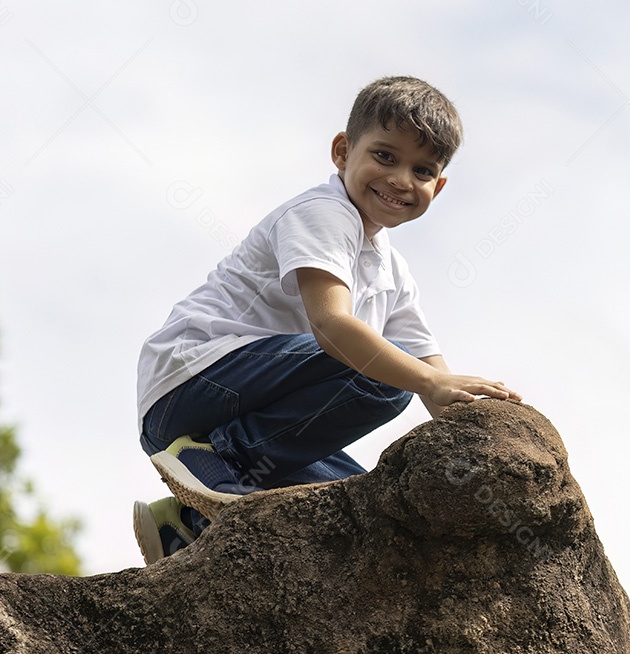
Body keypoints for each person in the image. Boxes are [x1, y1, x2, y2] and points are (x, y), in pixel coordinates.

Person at [134, 75, 521, 565]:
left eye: (421, 170)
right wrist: (425, 380)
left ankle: (185, 528)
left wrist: (482, 433)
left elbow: (436, 380)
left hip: (233, 410)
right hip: (192, 385)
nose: (402, 179)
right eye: (385, 156)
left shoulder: (391, 270)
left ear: (438, 187)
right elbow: (332, 326)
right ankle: (217, 457)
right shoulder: (324, 212)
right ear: (342, 151)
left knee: (358, 505)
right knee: (382, 374)